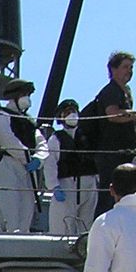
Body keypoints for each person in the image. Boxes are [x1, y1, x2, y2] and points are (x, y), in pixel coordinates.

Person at [0, 79, 44, 234]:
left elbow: (41, 143)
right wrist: (26, 156)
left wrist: (39, 158)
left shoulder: (29, 121)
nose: (27, 98)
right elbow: (7, 139)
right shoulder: (0, 116)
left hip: (27, 169)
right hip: (6, 166)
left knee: (26, 211)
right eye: (24, 94)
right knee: (8, 212)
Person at [85, 52, 136, 215]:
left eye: (131, 67)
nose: (129, 71)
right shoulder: (111, 91)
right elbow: (112, 114)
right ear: (113, 69)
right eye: (125, 67)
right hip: (110, 152)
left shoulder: (126, 91)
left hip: (123, 151)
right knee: (108, 195)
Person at [45, 98, 98, 236]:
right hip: (66, 184)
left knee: (86, 222)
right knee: (63, 222)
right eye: (67, 112)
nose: (72, 115)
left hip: (88, 183)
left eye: (73, 111)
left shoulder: (87, 136)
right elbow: (50, 163)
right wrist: (54, 186)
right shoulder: (56, 139)